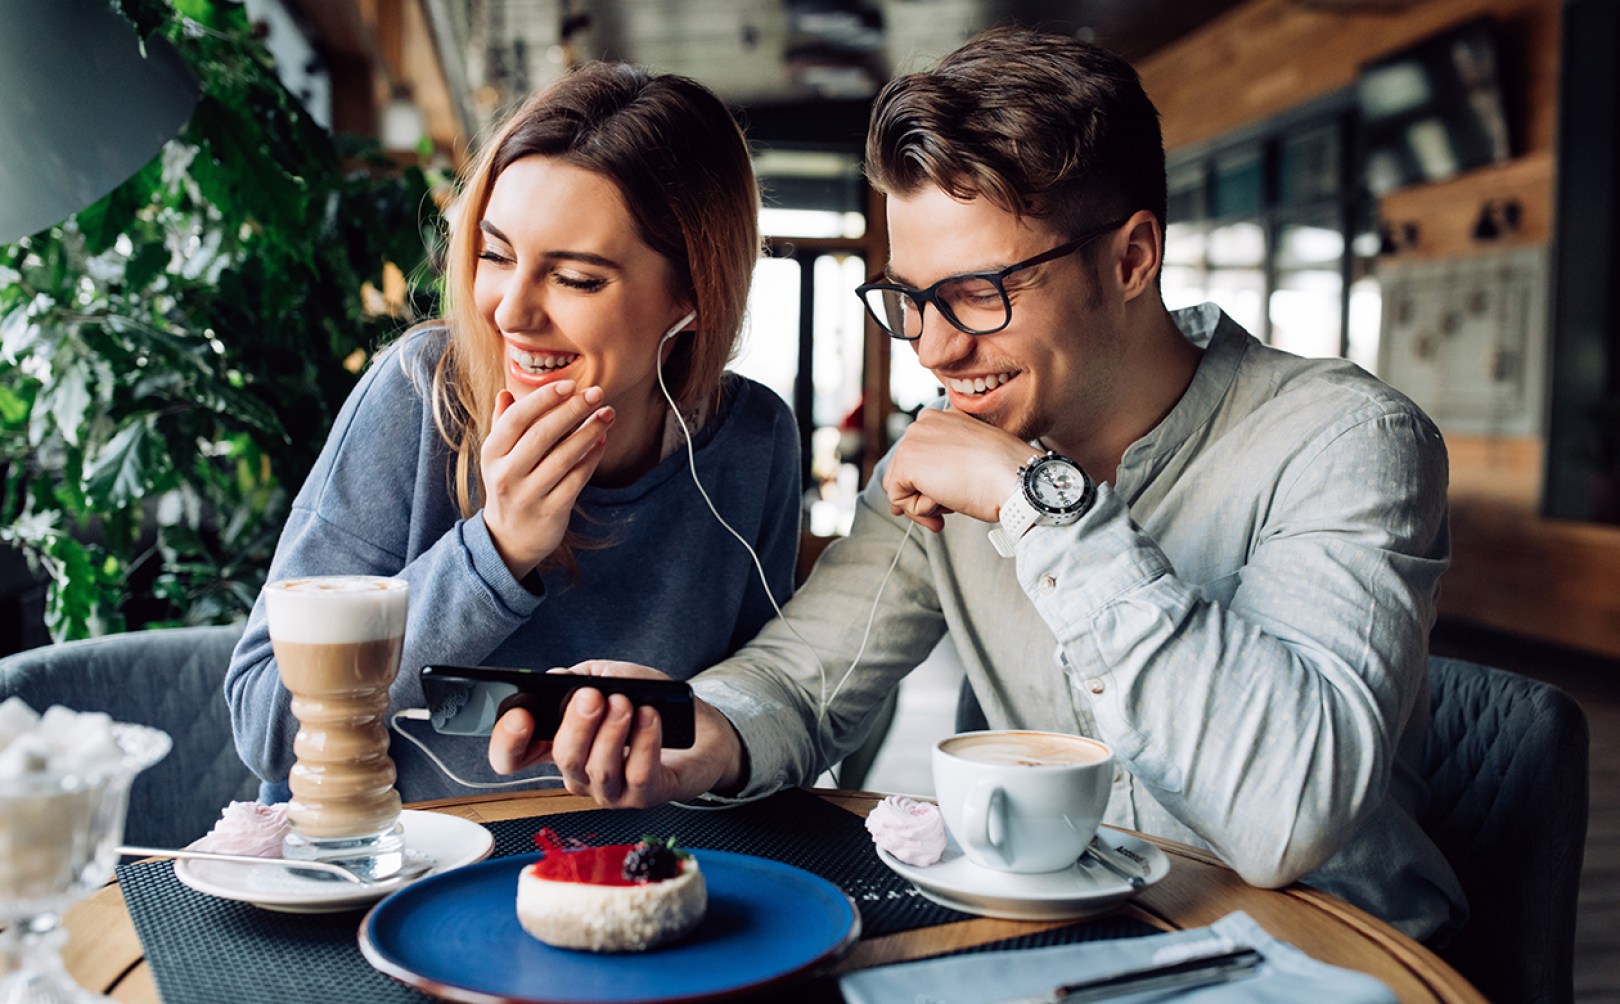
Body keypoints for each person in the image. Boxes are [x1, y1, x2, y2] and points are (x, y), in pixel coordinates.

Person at [489, 27, 1466, 941]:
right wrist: (695, 722)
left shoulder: (1347, 441)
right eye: (908, 299)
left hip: (1339, 962)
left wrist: (1039, 505)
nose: (935, 347)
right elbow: (799, 679)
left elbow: (1285, 816)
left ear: (1131, 258)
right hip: (1065, 952)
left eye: (977, 294)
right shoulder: (959, 453)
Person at [226, 62, 801, 803]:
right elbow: (266, 719)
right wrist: (494, 551)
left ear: (692, 295)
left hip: (626, 881)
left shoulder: (752, 443)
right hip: (384, 880)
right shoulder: (419, 394)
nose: (510, 312)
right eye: (496, 255)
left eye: (577, 278)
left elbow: (765, 719)